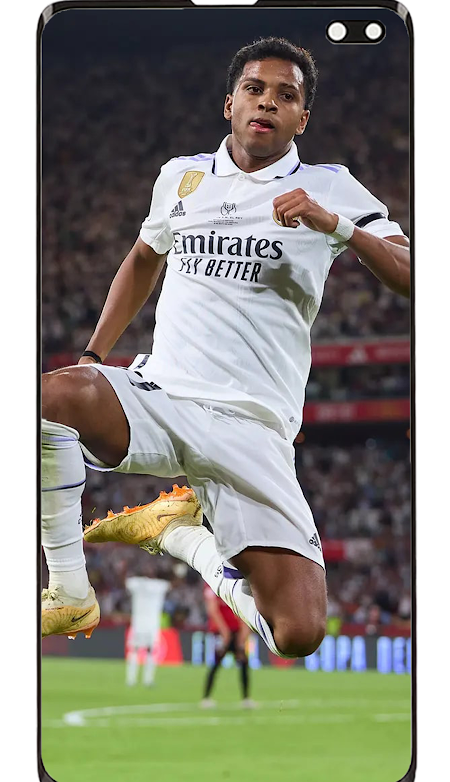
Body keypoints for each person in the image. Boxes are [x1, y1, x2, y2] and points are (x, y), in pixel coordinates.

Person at [41, 37, 410, 657]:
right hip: (165, 395)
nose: (267, 102)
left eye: (285, 96)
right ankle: (69, 588)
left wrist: (337, 225)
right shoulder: (180, 178)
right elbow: (142, 259)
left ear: (302, 119)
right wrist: (94, 357)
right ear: (229, 103)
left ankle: (182, 535)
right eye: (254, 89)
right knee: (54, 397)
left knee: (298, 633)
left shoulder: (330, 186)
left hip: (255, 426)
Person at [200, 583, 255, 710]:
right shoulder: (211, 584)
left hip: (236, 632)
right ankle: (206, 698)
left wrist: (243, 633)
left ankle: (246, 698)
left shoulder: (235, 582)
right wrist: (224, 632)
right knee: (215, 664)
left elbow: (244, 608)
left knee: (243, 663)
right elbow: (213, 610)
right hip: (221, 633)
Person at [125, 574, 170, 687]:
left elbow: (125, 582)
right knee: (143, 651)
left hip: (141, 624)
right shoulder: (159, 585)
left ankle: (137, 680)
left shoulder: (137, 583)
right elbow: (172, 585)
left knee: (139, 651)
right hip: (148, 624)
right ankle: (142, 680)